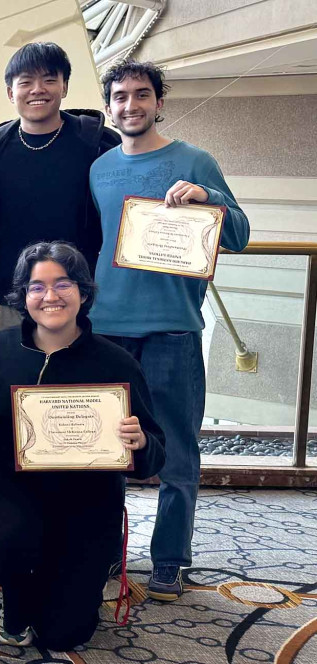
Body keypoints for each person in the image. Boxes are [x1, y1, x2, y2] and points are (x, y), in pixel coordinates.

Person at [0, 241, 165, 649]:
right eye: (37, 286)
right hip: (12, 491)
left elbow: (155, 450)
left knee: (66, 635)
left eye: (63, 284)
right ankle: (17, 598)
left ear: (83, 291)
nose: (50, 296)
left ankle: (62, 592)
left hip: (87, 502)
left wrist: (139, 443)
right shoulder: (0, 349)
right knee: (4, 544)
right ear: (23, 295)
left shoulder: (116, 362)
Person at [89, 60, 249, 601]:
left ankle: (170, 561)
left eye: (142, 95)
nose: (130, 105)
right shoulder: (100, 168)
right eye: (120, 96)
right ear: (109, 107)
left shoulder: (194, 161)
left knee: (178, 452)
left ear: (159, 102)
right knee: (106, 451)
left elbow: (240, 234)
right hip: (106, 329)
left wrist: (208, 199)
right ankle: (107, 549)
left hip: (173, 330)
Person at [0, 42, 120, 345]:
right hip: (6, 290)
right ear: (10, 92)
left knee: (74, 376)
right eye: (26, 82)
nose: (37, 89)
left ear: (64, 86)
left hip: (75, 294)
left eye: (49, 79)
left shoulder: (98, 143)